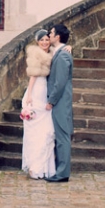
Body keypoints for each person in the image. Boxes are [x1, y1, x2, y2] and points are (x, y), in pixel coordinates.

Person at [20, 29, 56, 180]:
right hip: (37, 91)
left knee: (46, 130)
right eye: (42, 40)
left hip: (45, 90)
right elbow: (33, 76)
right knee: (36, 132)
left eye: (47, 40)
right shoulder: (36, 54)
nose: (45, 43)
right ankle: (36, 167)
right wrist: (29, 96)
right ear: (37, 42)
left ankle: (45, 168)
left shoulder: (52, 53)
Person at [45, 23, 73, 182]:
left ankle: (62, 173)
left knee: (62, 137)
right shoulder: (60, 51)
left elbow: (60, 82)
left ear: (58, 36)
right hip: (60, 101)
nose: (49, 34)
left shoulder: (62, 55)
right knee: (60, 137)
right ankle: (60, 170)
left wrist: (51, 100)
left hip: (61, 101)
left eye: (52, 32)